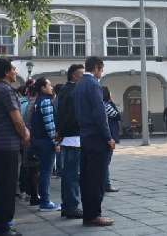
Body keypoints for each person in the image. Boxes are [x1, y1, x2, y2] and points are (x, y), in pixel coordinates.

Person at [0, 58, 30, 236]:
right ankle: (2, 227)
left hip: (0, 144)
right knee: (6, 187)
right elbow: (16, 118)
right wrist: (25, 134)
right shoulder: (6, 90)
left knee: (2, 185)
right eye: (13, 69)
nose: (15, 71)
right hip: (7, 144)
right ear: (6, 72)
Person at [74, 57, 115, 227]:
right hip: (97, 137)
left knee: (86, 177)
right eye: (101, 69)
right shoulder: (93, 85)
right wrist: (108, 137)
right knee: (97, 179)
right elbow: (100, 114)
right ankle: (94, 215)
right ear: (97, 68)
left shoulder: (79, 84)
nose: (101, 73)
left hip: (85, 135)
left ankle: (89, 213)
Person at [56, 64, 84, 219]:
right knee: (73, 175)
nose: (83, 77)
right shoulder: (73, 91)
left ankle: (66, 206)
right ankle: (72, 206)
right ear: (74, 75)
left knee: (68, 174)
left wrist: (60, 132)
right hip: (73, 137)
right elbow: (72, 116)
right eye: (81, 74)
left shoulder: (65, 90)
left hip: (68, 136)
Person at [30, 78, 60, 211]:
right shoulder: (46, 101)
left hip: (37, 140)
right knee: (46, 172)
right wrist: (55, 141)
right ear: (42, 88)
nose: (51, 87)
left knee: (43, 171)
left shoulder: (37, 101)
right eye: (49, 85)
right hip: (46, 142)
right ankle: (45, 201)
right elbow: (49, 125)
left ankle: (43, 199)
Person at [102, 87, 120, 193]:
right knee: (106, 161)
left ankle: (104, 183)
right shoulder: (106, 105)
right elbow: (117, 115)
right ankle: (106, 184)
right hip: (109, 135)